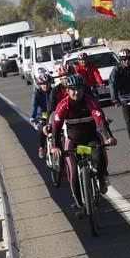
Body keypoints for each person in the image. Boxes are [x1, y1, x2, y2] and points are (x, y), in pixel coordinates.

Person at [49, 73, 117, 215]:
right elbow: (55, 127)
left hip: (91, 138)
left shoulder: (90, 101)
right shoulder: (63, 105)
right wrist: (55, 146)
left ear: (83, 89)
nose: (76, 92)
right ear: (67, 90)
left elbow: (100, 121)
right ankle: (80, 204)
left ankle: (101, 178)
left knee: (99, 158)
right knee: (73, 171)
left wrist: (107, 137)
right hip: (73, 142)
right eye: (72, 89)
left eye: (79, 89)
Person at [109, 48, 130, 156]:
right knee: (128, 122)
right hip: (124, 98)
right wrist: (115, 99)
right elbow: (112, 84)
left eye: (128, 59)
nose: (126, 61)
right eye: (124, 59)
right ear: (120, 60)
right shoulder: (116, 70)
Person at [29, 69, 53, 158]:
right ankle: (42, 147)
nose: (45, 86)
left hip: (53, 114)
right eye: (43, 84)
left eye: (47, 83)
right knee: (41, 129)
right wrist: (32, 117)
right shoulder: (37, 93)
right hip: (42, 115)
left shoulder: (54, 91)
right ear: (39, 85)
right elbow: (34, 105)